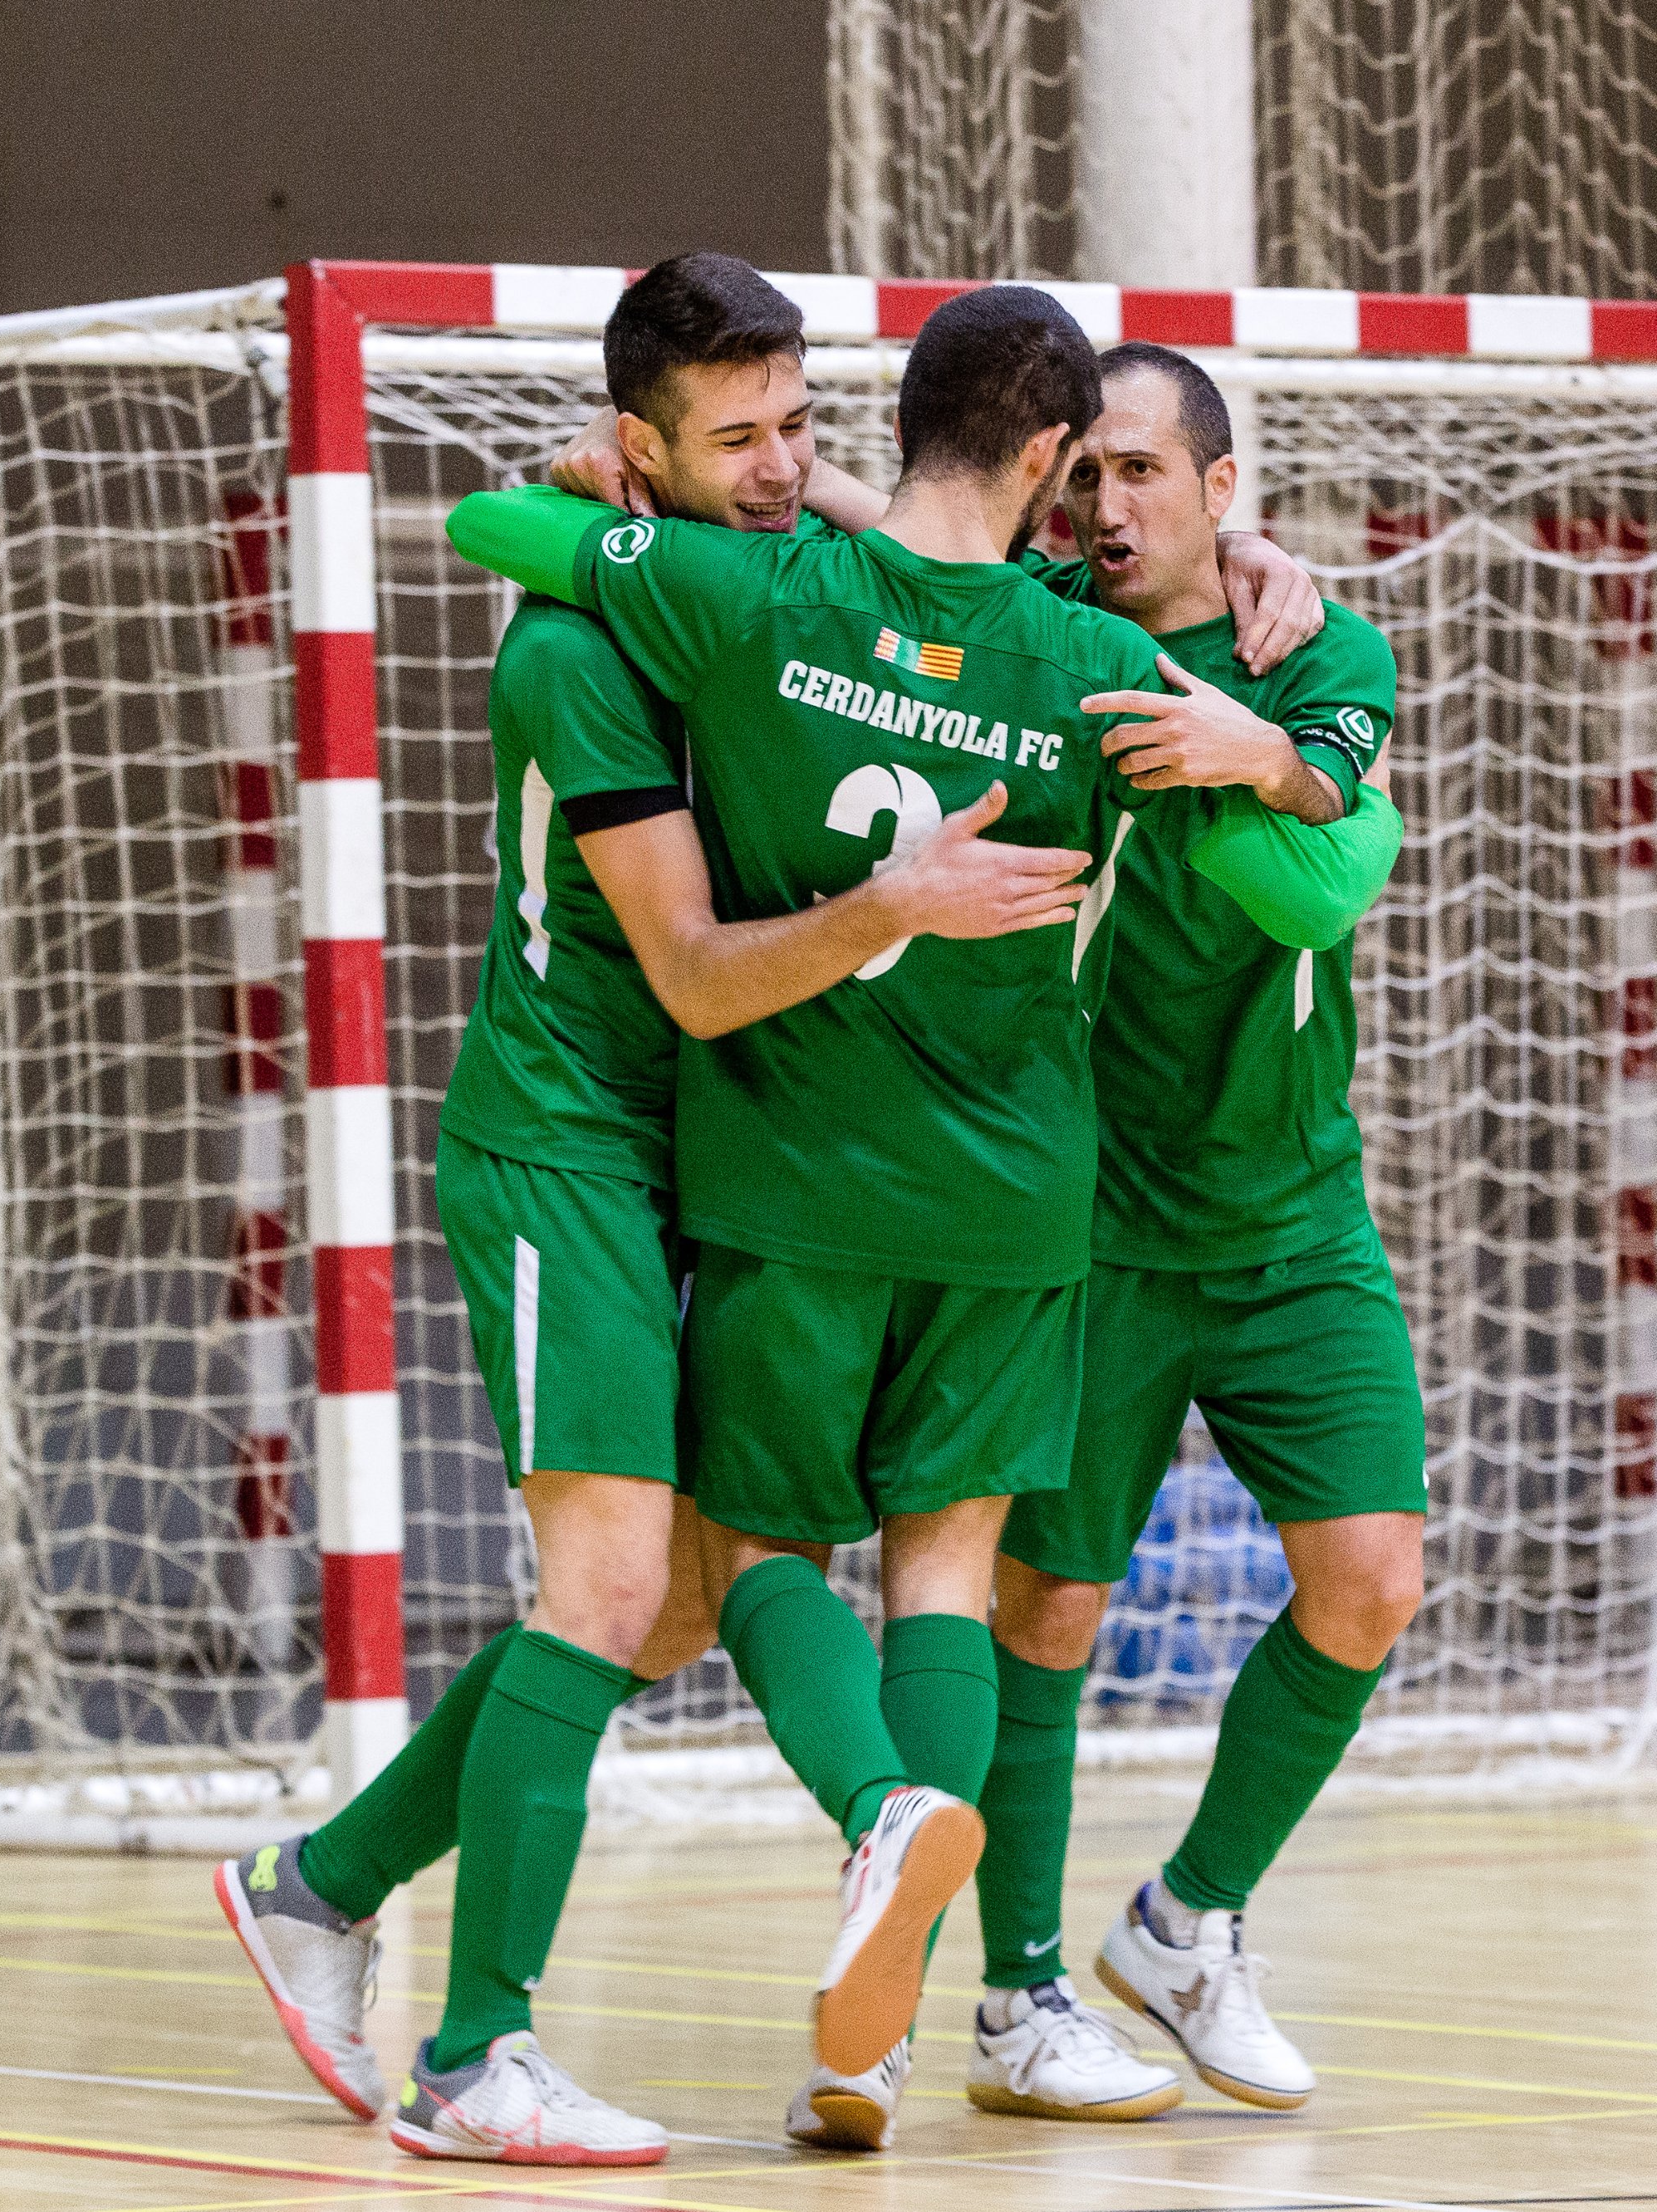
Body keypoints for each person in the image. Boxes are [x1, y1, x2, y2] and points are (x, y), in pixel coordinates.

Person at [439, 283, 1398, 2151]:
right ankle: (924, 2004)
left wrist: (606, 503)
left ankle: (883, 1864)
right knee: (946, 1575)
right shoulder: (1100, 670)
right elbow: (1315, 873)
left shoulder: (755, 591)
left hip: (787, 1161)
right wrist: (1267, 752)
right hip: (1028, 1197)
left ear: (886, 434)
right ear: (1046, 467)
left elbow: (502, 531)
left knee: (741, 1563)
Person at [213, 253, 1112, 2169]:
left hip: (711, 1153)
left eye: (803, 425)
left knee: (683, 1591)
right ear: (641, 446)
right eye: (738, 438)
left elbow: (928, 578)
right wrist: (901, 906)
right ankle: (476, 2050)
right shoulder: (579, 643)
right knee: (614, 1586)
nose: (783, 467)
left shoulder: (763, 585)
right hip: (573, 1147)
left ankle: (322, 1881)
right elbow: (699, 976)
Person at [963, 343, 1424, 2126]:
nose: (1106, 502)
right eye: (1082, 471)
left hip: (1295, 1210)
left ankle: (1184, 1920)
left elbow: (1333, 831)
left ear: (1221, 491)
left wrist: (1262, 752)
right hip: (1088, 1223)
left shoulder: (1321, 648)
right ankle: (1011, 1996)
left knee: (1369, 1578)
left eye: (1142, 469)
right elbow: (869, 532)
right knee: (1048, 1601)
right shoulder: (1024, 629)